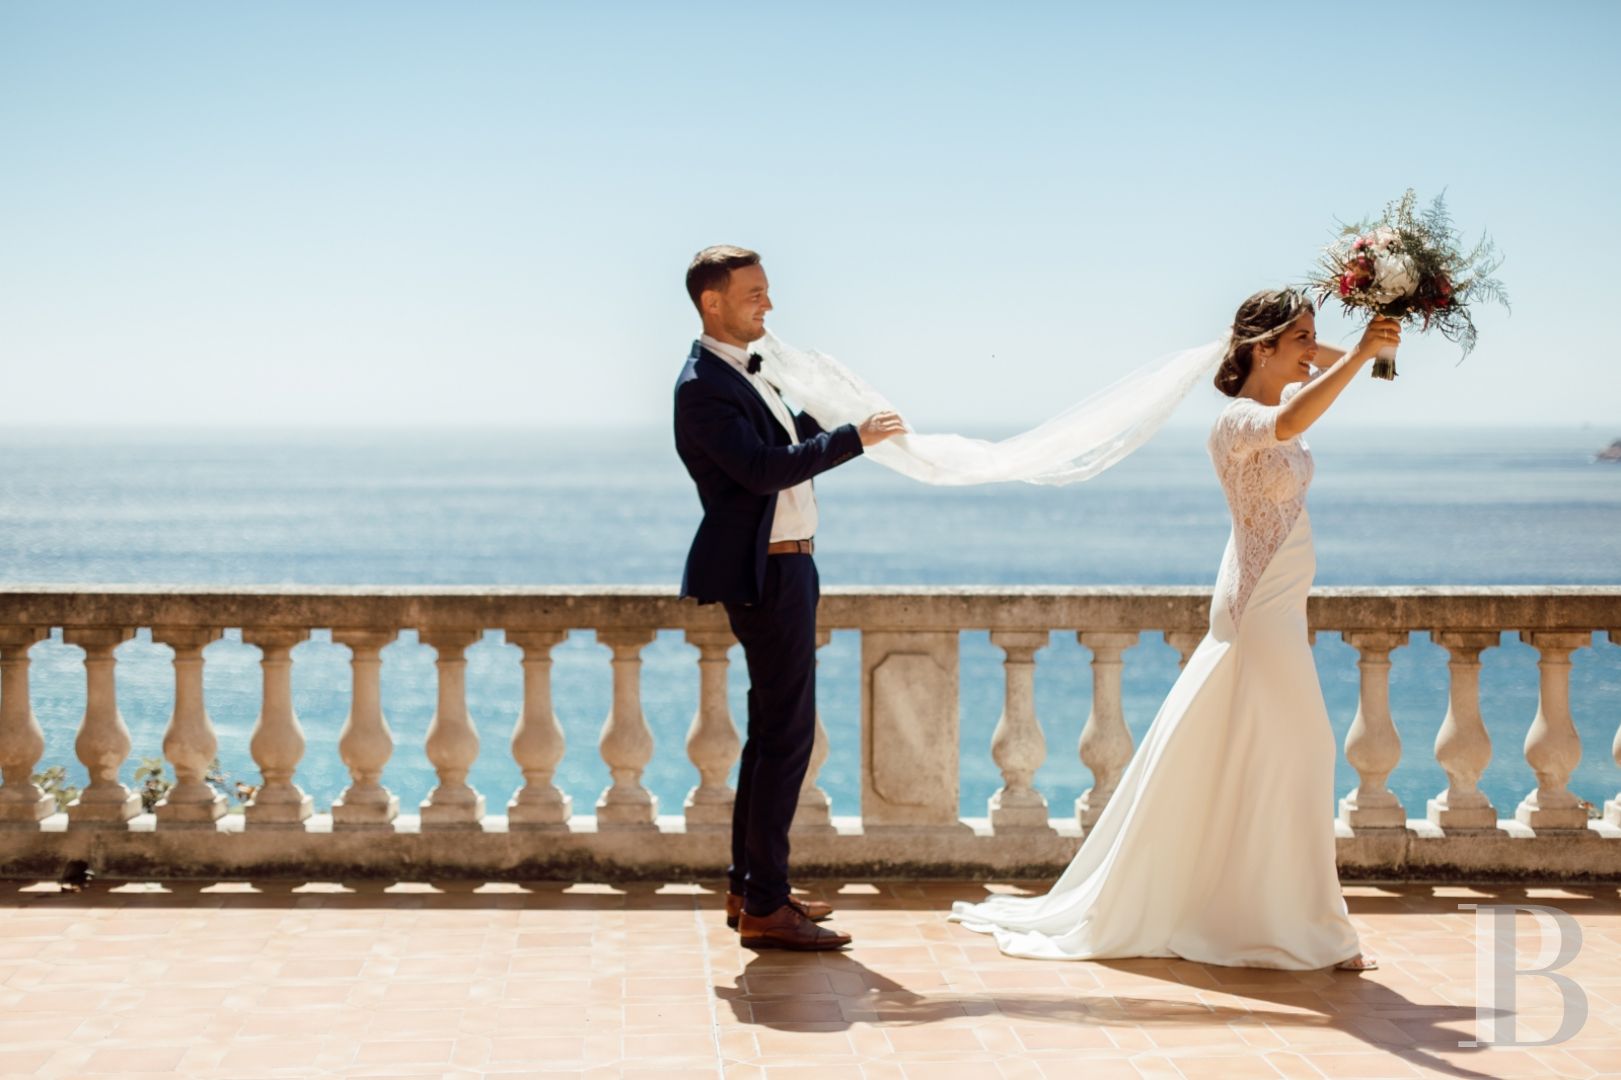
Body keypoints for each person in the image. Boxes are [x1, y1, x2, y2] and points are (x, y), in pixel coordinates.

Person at [951, 289, 1399, 972]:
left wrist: (1369, 336)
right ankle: (1295, 926)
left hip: (1278, 606)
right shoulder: (1238, 422)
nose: (1314, 351)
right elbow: (1290, 418)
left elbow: (1324, 381)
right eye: (1301, 339)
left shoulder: (1277, 397)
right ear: (1261, 348)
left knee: (1270, 759)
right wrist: (1358, 351)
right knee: (1300, 754)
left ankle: (1285, 917)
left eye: (1315, 339)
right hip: (1256, 614)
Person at [673, 245, 906, 951]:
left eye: (767, 292)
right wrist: (852, 439)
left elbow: (785, 440)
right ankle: (767, 907)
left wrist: (831, 416)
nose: (766, 305)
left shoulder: (748, 374)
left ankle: (751, 888)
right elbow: (760, 470)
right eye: (753, 294)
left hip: (788, 569)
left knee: (771, 738)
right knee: (786, 739)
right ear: (712, 302)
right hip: (766, 574)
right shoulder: (701, 385)